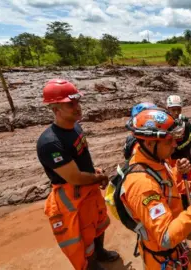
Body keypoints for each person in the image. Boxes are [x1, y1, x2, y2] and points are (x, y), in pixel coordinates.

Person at [117, 108, 191, 269]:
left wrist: (182, 178)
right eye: (169, 141)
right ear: (150, 143)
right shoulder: (142, 185)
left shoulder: (155, 160)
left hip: (174, 249)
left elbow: (165, 187)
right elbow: (166, 237)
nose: (175, 145)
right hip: (162, 258)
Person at [36, 79, 119, 270]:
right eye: (70, 104)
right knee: (83, 232)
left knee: (98, 222)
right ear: (55, 109)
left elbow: (82, 156)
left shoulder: (75, 127)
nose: (77, 107)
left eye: (77, 102)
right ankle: (90, 265)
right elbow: (74, 177)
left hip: (88, 185)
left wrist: (94, 170)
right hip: (73, 194)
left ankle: (100, 253)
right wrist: (98, 178)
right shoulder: (51, 143)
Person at [166, 95, 191, 209]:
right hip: (169, 159)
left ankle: (186, 201)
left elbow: (189, 139)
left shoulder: (185, 124)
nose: (176, 112)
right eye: (173, 110)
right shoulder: (165, 125)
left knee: (185, 181)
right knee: (171, 181)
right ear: (168, 109)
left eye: (178, 109)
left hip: (183, 158)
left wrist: (175, 148)